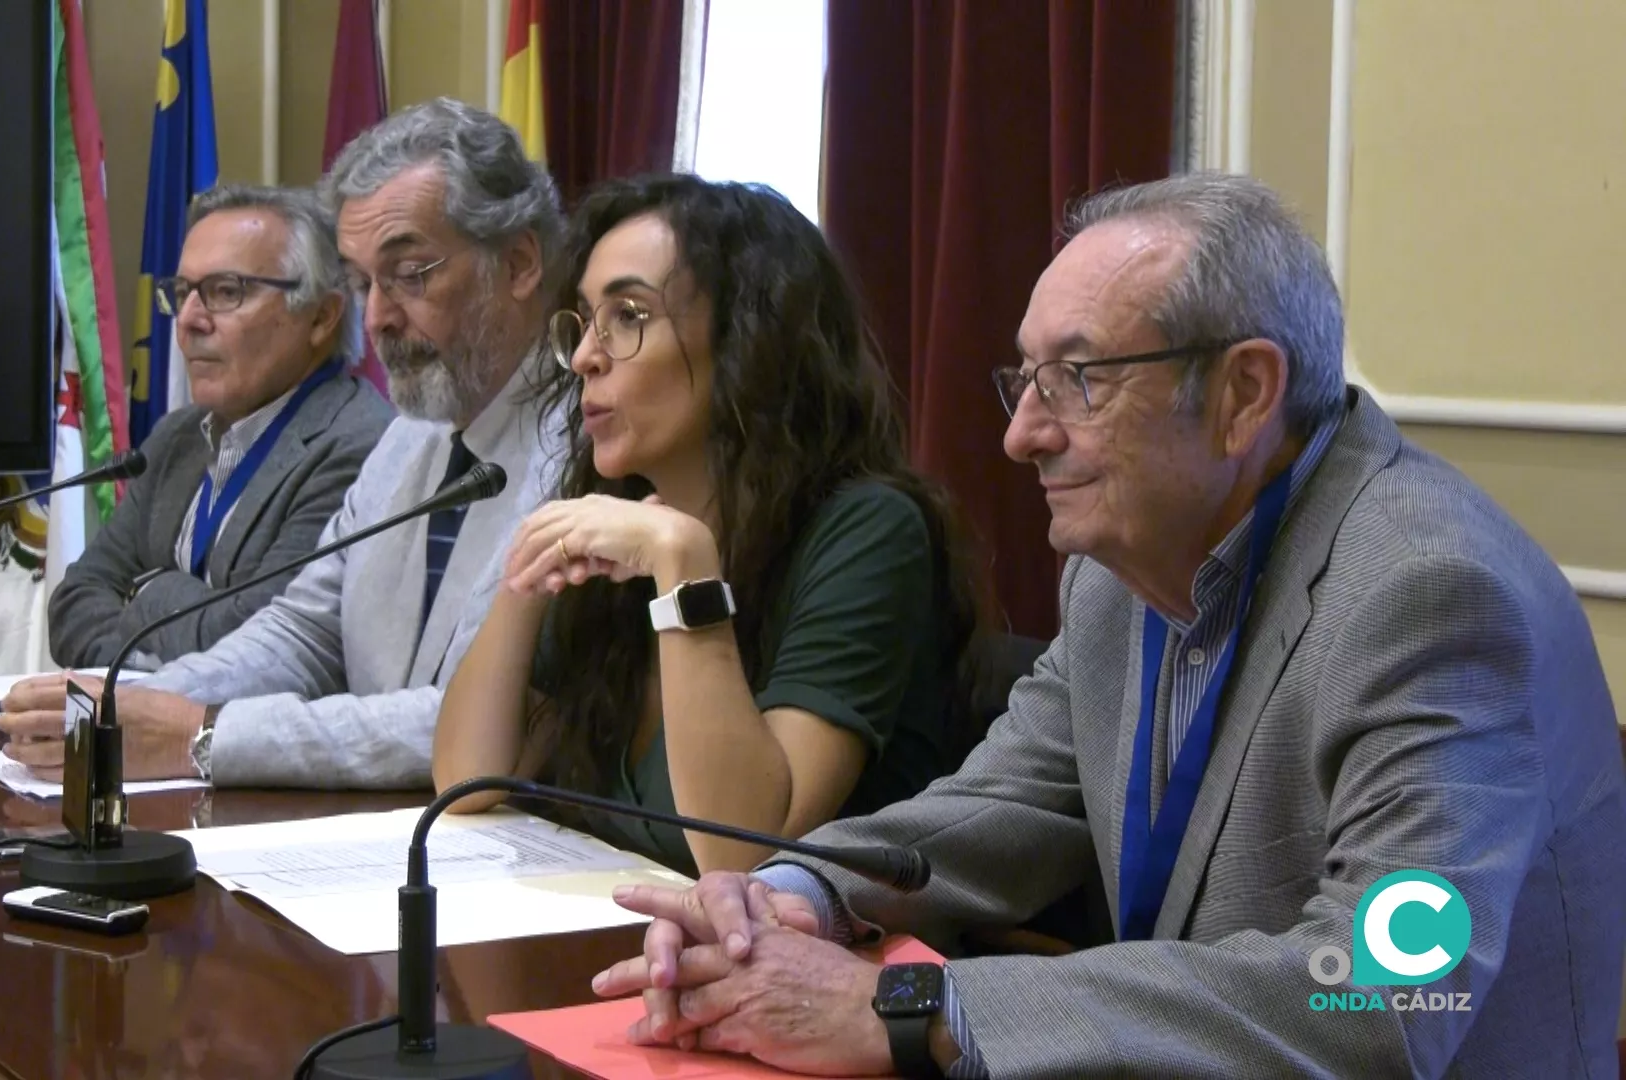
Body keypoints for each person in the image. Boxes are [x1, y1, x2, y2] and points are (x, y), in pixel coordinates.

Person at [590, 172, 1626, 1077]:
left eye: (1076, 381)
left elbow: (1388, 992)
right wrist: (795, 889)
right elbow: (1003, 803)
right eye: (1025, 379)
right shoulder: (1123, 566)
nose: (1019, 435)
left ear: (1243, 393)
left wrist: (913, 1010)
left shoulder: (1427, 593)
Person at [0, 97, 564, 788]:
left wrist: (208, 736)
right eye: (363, 283)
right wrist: (124, 707)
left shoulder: (587, 445)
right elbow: (303, 633)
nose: (380, 318)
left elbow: (482, 722)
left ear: (521, 263)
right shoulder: (409, 441)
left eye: (411, 275)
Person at [431, 176, 983, 877]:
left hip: (812, 970)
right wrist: (525, 576)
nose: (582, 358)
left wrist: (685, 565)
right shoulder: (623, 521)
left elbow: (740, 846)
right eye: (583, 320)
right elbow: (466, 783)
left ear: (747, 342)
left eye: (628, 316)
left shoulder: (867, 530)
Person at [47, 184, 392, 668]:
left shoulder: (358, 446)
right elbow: (74, 599)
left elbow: (263, 640)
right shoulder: (177, 438)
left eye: (225, 292)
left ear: (321, 316)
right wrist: (137, 682)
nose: (188, 321)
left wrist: (147, 591)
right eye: (184, 293)